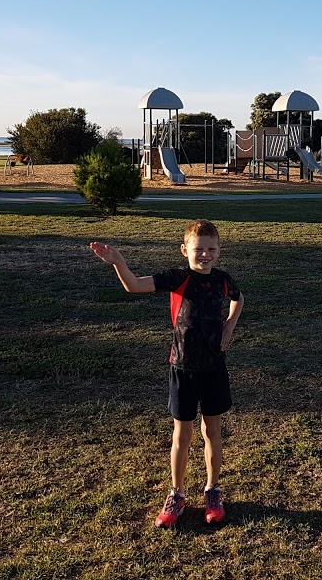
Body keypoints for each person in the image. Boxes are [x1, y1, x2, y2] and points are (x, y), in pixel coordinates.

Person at [90, 219, 244, 528]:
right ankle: (177, 494)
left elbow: (239, 299)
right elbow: (134, 286)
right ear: (185, 250)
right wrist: (118, 262)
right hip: (183, 368)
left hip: (214, 368)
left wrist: (229, 326)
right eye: (198, 249)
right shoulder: (178, 278)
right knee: (182, 435)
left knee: (212, 432)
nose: (205, 255)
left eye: (211, 249)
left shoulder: (224, 280)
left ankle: (213, 490)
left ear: (219, 251)